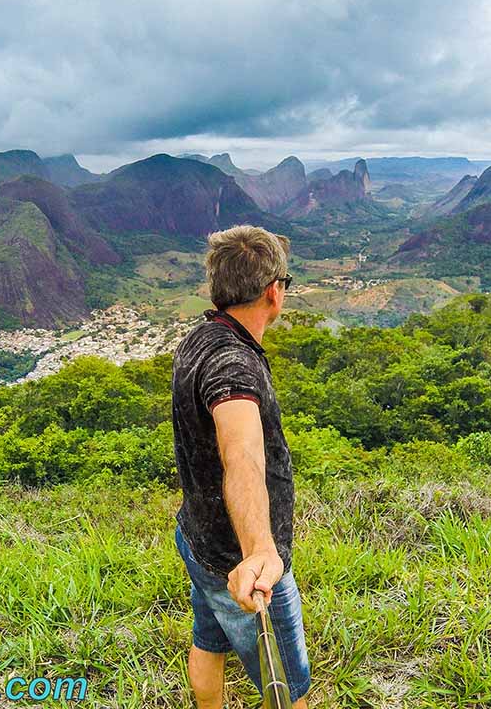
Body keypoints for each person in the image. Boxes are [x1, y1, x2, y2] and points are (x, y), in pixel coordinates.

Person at [171, 224, 310, 707]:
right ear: (274, 293)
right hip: (239, 565)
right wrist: (259, 551)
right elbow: (242, 454)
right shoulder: (235, 366)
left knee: (209, 640)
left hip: (197, 537)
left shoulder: (200, 338)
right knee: (291, 690)